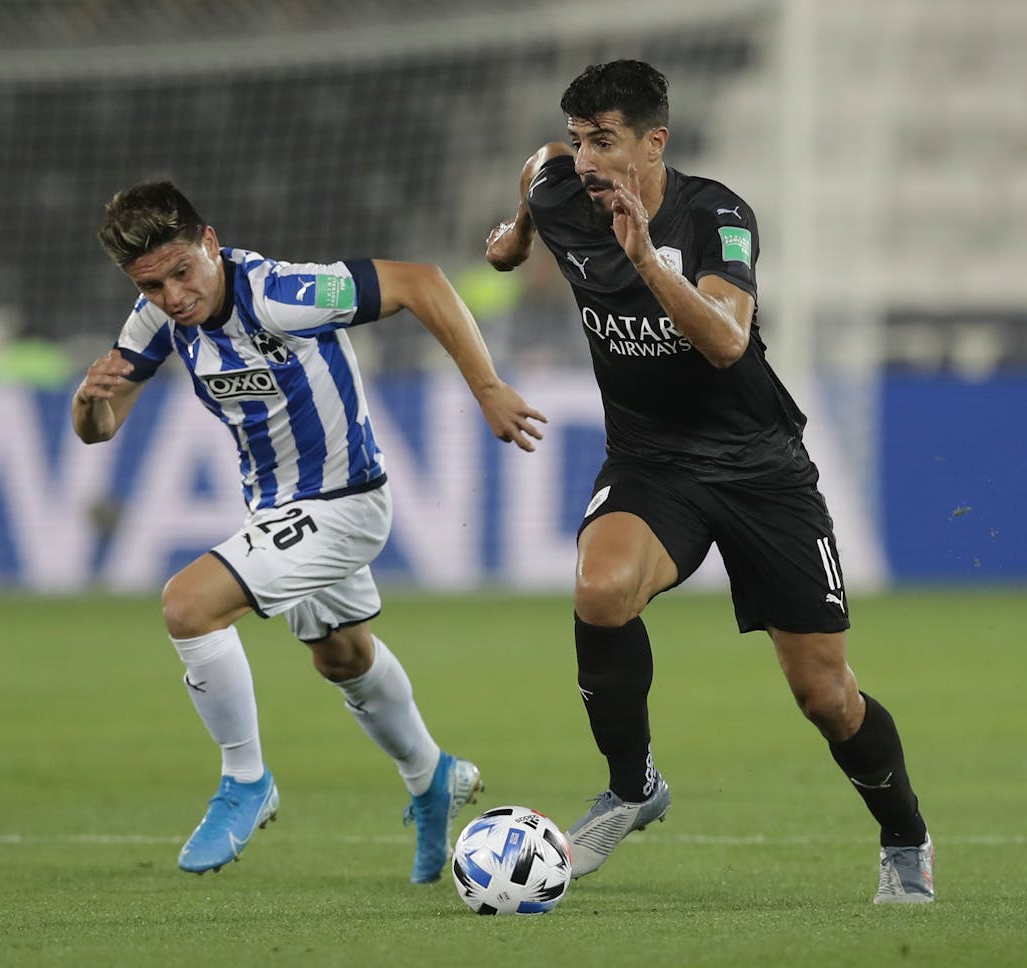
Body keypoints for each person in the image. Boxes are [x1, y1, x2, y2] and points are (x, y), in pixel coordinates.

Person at [485, 60, 932, 903]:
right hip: (653, 463)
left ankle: (904, 836)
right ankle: (631, 787)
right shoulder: (559, 186)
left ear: (655, 142)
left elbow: (727, 341)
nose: (585, 158)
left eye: (604, 141)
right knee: (601, 588)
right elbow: (535, 165)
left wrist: (646, 261)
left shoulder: (719, 215)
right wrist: (515, 237)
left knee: (826, 695)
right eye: (580, 139)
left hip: (761, 468)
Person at [76, 180, 545, 881]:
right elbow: (101, 431)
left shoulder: (280, 293)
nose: (174, 296)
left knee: (188, 604)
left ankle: (245, 780)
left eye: (181, 272)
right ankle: (432, 775)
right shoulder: (156, 321)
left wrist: (486, 387)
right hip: (278, 512)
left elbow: (422, 282)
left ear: (209, 243)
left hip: (347, 504)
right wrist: (90, 402)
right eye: (151, 284)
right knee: (343, 658)